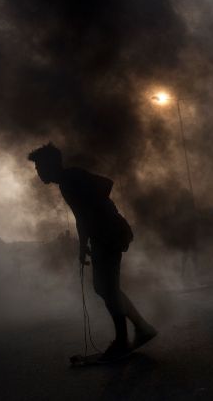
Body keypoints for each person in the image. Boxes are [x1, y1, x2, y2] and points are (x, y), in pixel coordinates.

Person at [28, 143, 157, 360]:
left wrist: (96, 217)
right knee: (105, 287)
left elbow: (95, 200)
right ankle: (140, 329)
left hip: (108, 234)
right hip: (105, 234)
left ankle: (124, 340)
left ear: (50, 165)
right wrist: (87, 238)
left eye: (39, 167)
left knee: (107, 287)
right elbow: (91, 205)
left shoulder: (70, 179)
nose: (37, 172)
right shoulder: (68, 181)